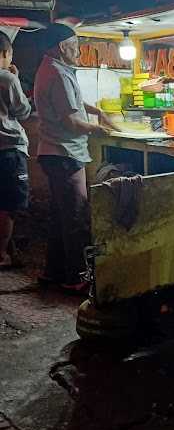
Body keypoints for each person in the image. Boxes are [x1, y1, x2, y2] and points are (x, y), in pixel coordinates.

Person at [34, 23, 116, 293]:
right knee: (76, 218)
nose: (79, 52)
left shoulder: (52, 70)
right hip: (64, 153)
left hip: (54, 152)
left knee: (60, 218)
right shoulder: (58, 74)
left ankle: (53, 272)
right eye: (75, 46)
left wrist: (96, 110)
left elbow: (72, 105)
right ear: (62, 47)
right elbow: (71, 121)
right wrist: (98, 128)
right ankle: (77, 278)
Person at [0, 31, 31, 269]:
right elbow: (23, 111)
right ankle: (2, 255)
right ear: (5, 53)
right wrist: (16, 79)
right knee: (8, 206)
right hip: (9, 150)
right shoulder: (7, 79)